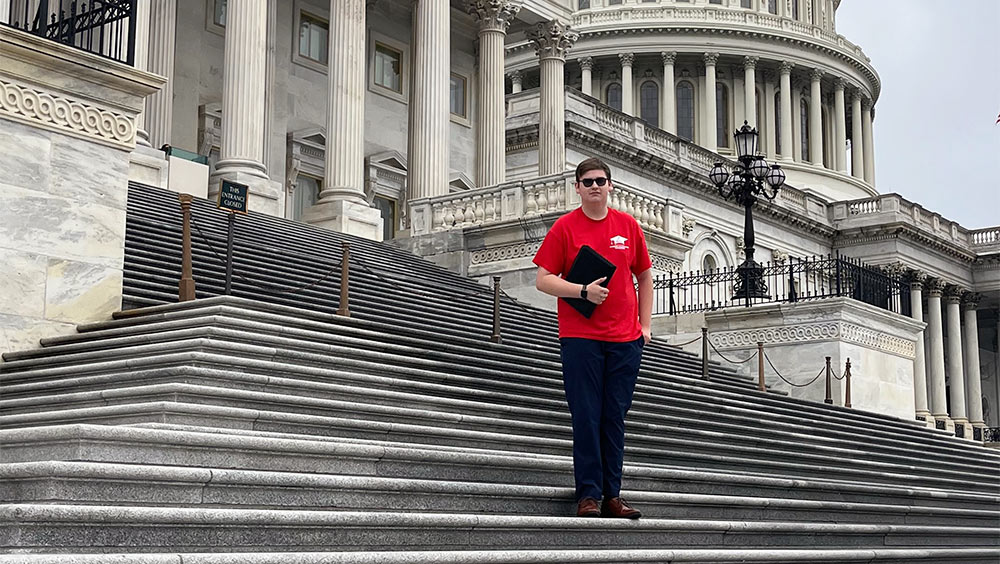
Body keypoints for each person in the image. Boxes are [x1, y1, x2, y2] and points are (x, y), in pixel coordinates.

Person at [532, 157, 653, 519]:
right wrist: (582, 291)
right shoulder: (566, 228)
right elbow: (543, 279)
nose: (595, 186)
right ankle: (588, 494)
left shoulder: (628, 226)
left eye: (601, 180)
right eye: (588, 182)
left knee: (614, 416)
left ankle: (612, 495)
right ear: (578, 188)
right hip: (580, 336)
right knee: (586, 415)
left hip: (624, 339)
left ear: (611, 185)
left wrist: (644, 326)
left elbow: (645, 275)